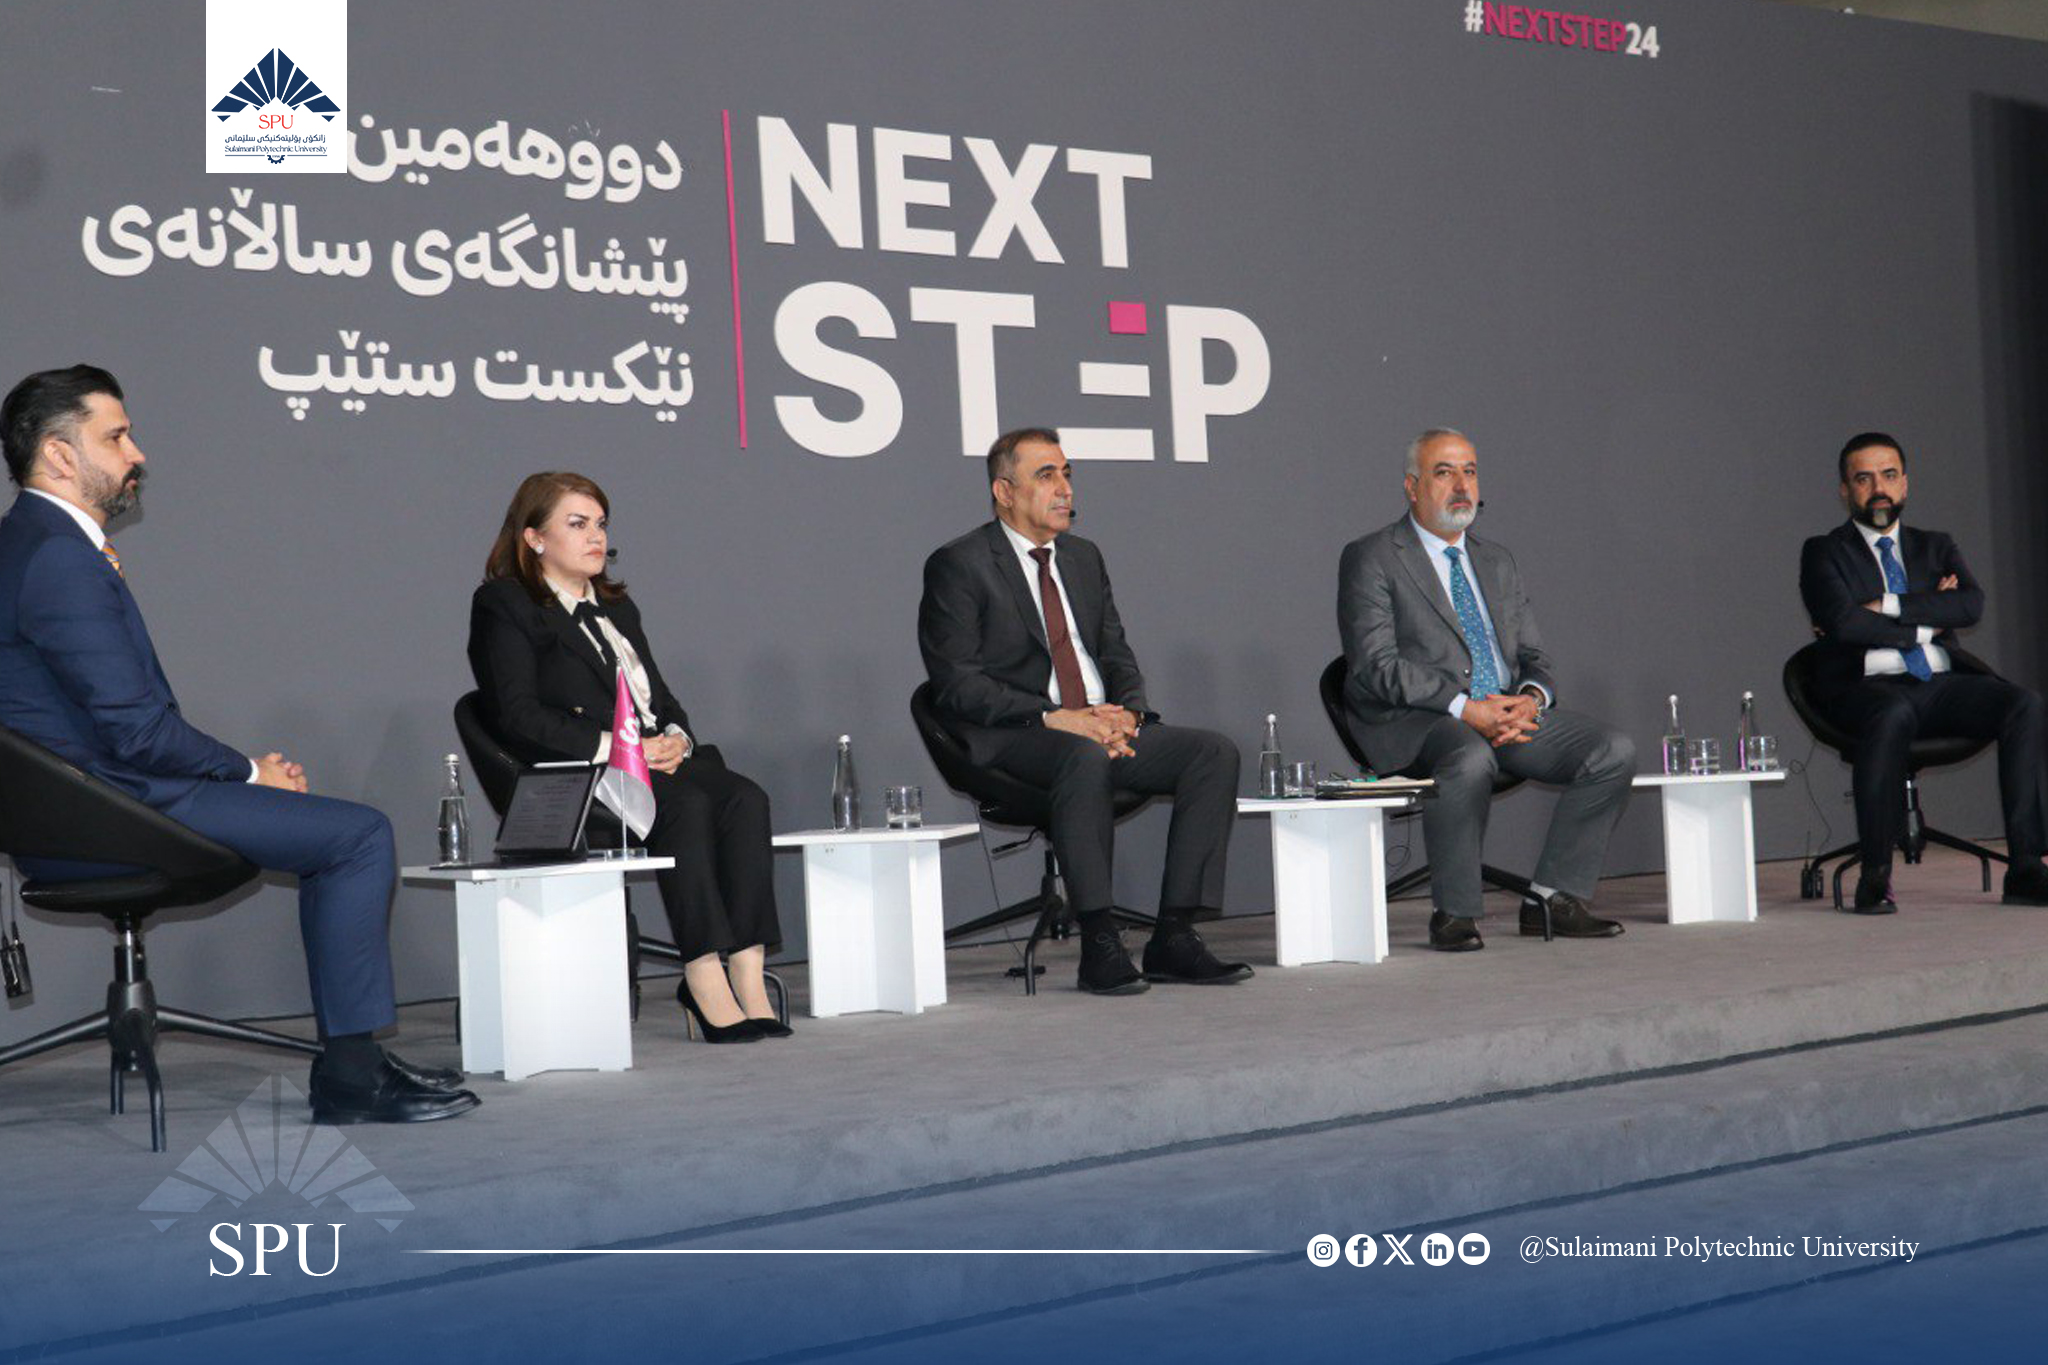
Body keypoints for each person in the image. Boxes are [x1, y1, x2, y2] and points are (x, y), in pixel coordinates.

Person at [0, 365, 477, 1123]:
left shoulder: (28, 543)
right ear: (60, 455)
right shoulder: (58, 555)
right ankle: (352, 1076)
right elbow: (136, 730)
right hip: (115, 809)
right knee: (357, 837)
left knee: (338, 832)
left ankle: (355, 1063)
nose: (137, 453)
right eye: (116, 437)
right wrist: (250, 771)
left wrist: (239, 773)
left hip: (77, 809)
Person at [917, 427, 1249, 995]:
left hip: (1097, 724)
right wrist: (1056, 717)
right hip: (1019, 734)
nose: (1065, 488)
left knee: (1211, 754)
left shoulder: (1083, 558)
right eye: (1046, 475)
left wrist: (1129, 716)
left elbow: (1116, 652)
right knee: (1082, 756)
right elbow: (957, 685)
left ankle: (1174, 935)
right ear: (1004, 491)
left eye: (1067, 474)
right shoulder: (960, 564)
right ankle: (1099, 941)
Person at [467, 472, 786, 1041]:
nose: (596, 537)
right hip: (578, 773)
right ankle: (702, 973)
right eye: (577, 524)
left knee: (745, 798)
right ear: (534, 538)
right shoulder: (505, 604)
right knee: (684, 804)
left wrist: (677, 739)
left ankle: (748, 969)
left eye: (601, 524)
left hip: (651, 762)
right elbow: (516, 715)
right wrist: (621, 749)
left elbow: (659, 699)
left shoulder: (618, 607)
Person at [1337, 427, 1635, 952]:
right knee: (1470, 757)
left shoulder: (1497, 561)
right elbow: (1374, 667)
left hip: (1503, 714)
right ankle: (1454, 913)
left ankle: (1552, 897)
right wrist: (1464, 707)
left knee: (1612, 750)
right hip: (1420, 719)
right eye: (1444, 472)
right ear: (1412, 487)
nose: (1461, 486)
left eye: (1469, 472)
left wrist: (1530, 699)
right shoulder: (1374, 556)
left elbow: (1535, 657)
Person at [1797, 432, 2048, 913]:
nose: (1879, 488)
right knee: (1891, 713)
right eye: (1864, 478)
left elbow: (1970, 606)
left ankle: (2027, 868)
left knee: (2024, 704)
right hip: (1868, 688)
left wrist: (1886, 605)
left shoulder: (1936, 546)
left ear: (1905, 484)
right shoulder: (1823, 552)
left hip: (1939, 684)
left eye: (1889, 475)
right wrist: (1929, 618)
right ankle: (1875, 877)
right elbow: (1845, 623)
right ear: (1845, 490)